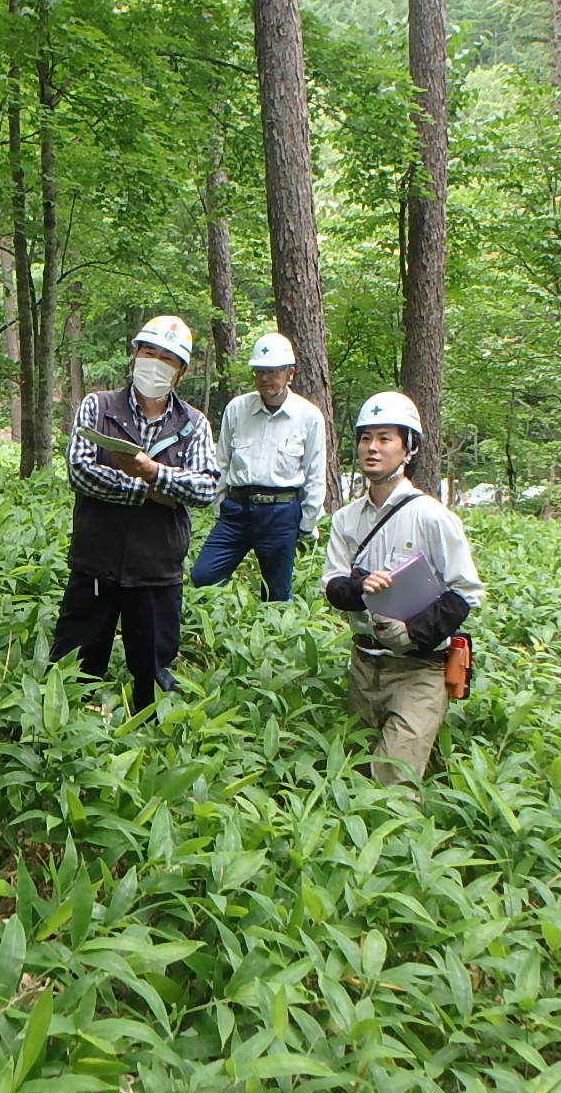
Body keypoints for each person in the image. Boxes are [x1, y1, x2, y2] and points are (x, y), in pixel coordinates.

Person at [51, 315, 220, 712]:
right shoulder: (98, 407)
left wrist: (154, 471)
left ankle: (152, 747)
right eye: (149, 352)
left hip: (157, 571)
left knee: (154, 672)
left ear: (181, 371)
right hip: (96, 565)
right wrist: (152, 489)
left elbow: (206, 487)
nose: (155, 364)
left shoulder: (193, 425)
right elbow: (80, 471)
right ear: (135, 354)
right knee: (74, 668)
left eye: (168, 358)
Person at [322, 392, 483, 785]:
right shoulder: (346, 519)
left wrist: (413, 632)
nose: (372, 448)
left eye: (385, 438)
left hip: (420, 669)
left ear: (408, 448)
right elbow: (332, 584)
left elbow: (466, 592)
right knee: (358, 777)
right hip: (364, 665)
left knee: (393, 781)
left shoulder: (431, 517)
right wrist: (359, 586)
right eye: (365, 438)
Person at [191, 332, 327, 601]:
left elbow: (315, 474)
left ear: (290, 373)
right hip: (236, 511)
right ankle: (227, 625)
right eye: (260, 371)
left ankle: (271, 640)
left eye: (273, 371)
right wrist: (220, 506)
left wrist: (307, 522)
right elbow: (222, 463)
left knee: (275, 594)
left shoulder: (308, 416)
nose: (266, 378)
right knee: (204, 577)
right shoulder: (237, 409)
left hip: (281, 512)